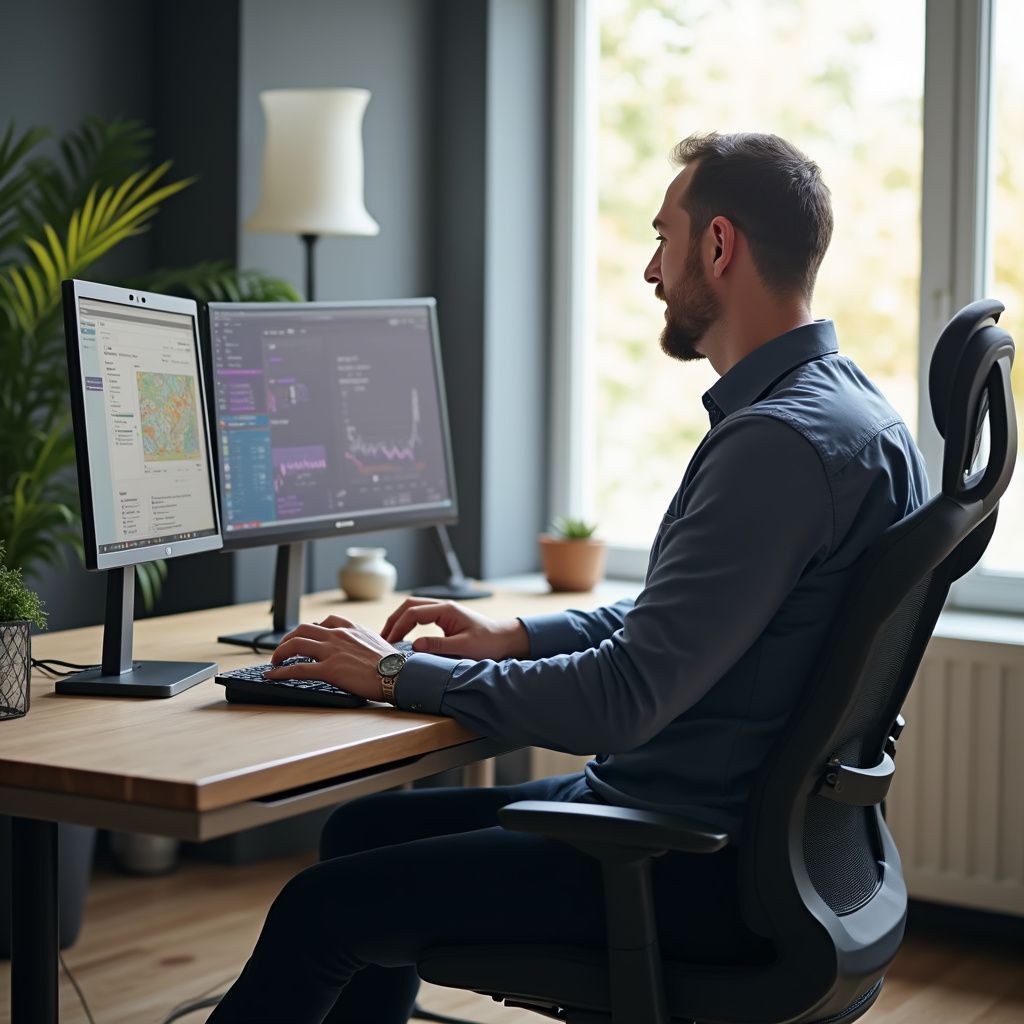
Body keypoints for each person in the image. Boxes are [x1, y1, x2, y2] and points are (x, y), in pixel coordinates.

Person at [208, 131, 929, 1023]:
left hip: (689, 862)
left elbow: (621, 700)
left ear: (719, 245)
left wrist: (396, 673)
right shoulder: (856, 416)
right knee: (360, 833)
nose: (651, 271)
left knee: (322, 910)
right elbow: (687, 618)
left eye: (663, 237)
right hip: (757, 842)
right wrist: (515, 636)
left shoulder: (777, 445)